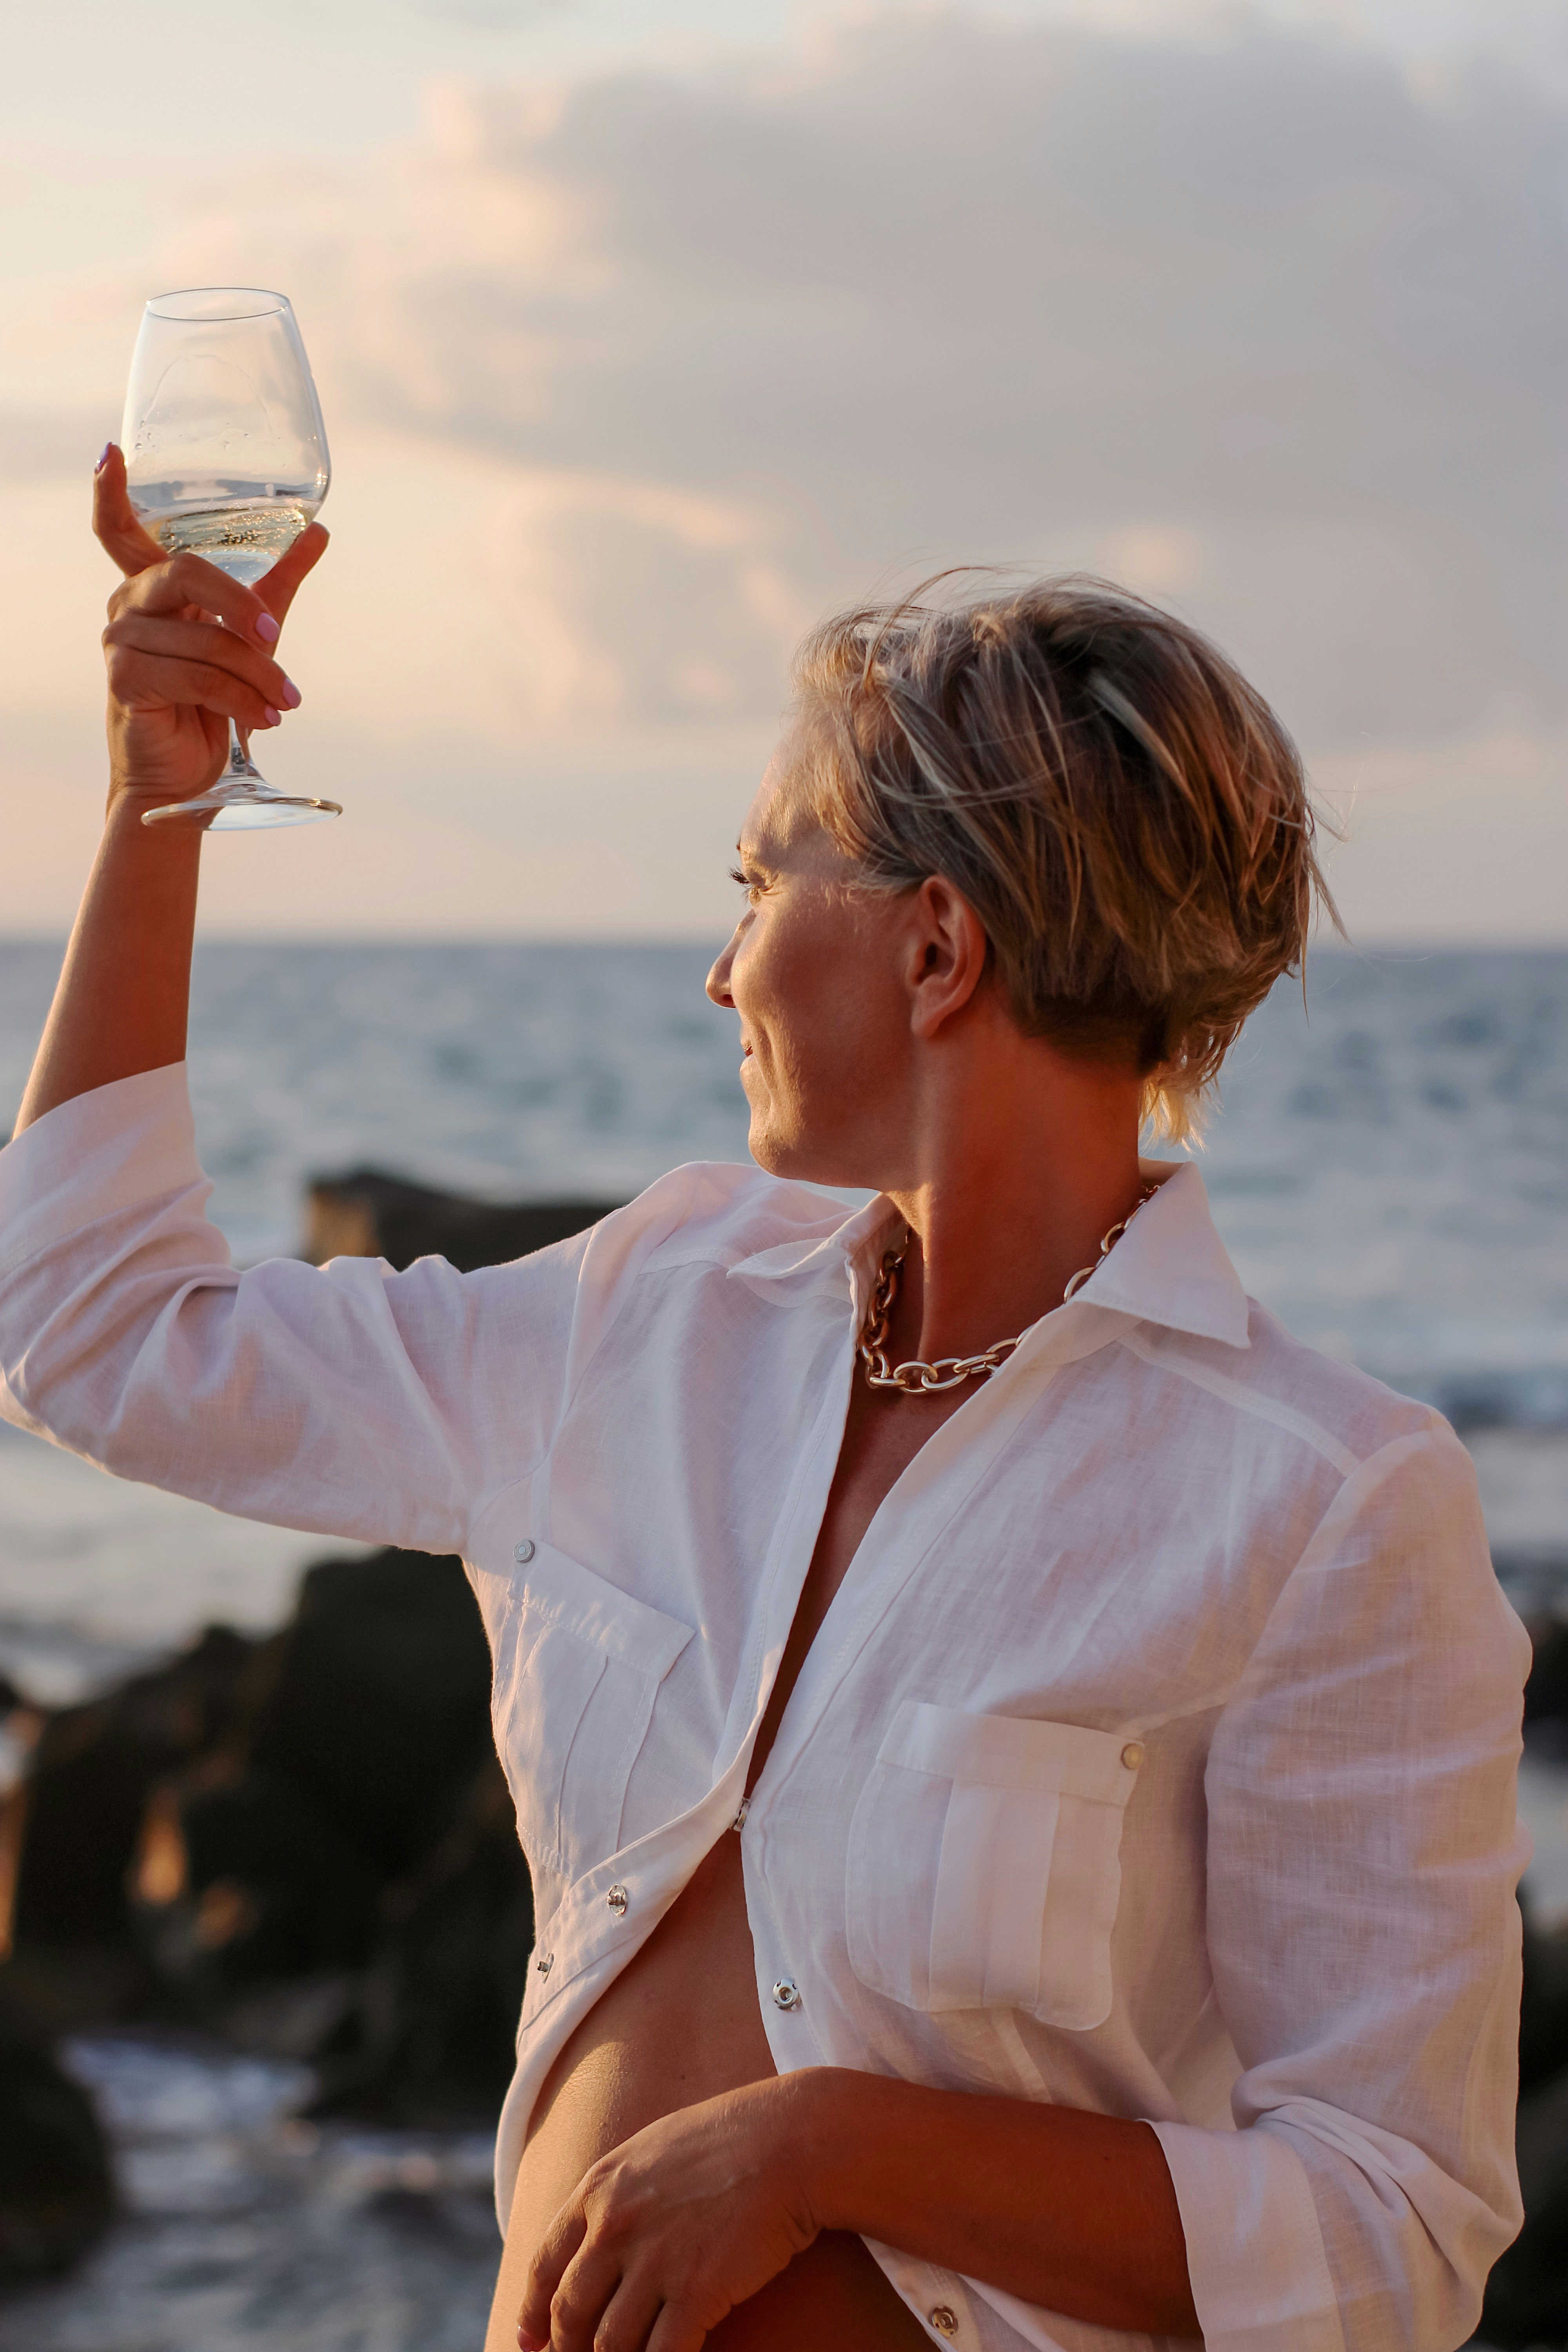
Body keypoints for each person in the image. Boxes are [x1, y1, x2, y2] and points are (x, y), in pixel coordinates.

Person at [0, 450, 1529, 2352]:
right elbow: (97, 1335)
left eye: (757, 878)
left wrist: (835, 2149)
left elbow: (1393, 2236)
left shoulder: (1322, 1501)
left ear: (935, 946)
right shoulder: (641, 1320)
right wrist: (162, 816)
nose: (719, 966)